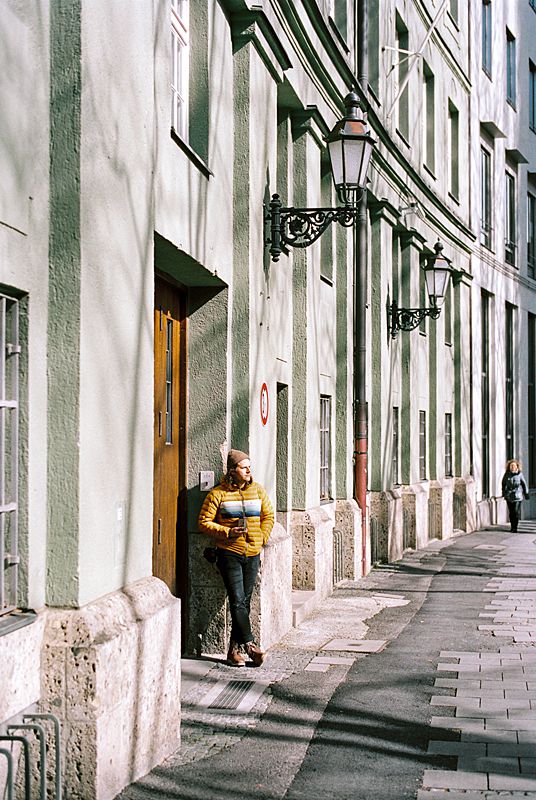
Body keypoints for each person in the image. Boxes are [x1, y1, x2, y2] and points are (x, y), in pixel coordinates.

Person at [198, 449, 274, 667]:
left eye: (249, 466)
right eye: (243, 467)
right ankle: (250, 646)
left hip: (252, 554)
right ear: (232, 471)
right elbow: (203, 522)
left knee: (244, 602)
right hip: (229, 554)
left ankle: (233, 652)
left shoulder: (258, 491)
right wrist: (227, 532)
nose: (249, 470)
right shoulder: (218, 494)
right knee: (237, 600)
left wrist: (261, 538)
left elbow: (268, 516)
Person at [501, 459, 529, 533]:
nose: (512, 467)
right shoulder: (507, 474)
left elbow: (524, 484)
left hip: (518, 495)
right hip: (509, 495)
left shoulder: (520, 474)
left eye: (514, 466)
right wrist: (503, 492)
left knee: (515, 512)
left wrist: (526, 493)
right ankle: (512, 526)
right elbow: (503, 483)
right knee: (511, 512)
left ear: (517, 467)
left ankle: (515, 527)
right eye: (511, 466)